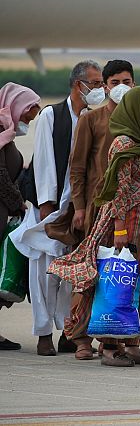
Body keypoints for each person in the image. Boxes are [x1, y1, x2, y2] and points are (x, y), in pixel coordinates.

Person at [49, 86, 140, 367]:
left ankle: (132, 344)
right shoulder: (123, 143)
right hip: (126, 220)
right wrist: (119, 228)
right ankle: (108, 346)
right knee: (117, 282)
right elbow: (118, 188)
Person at [10, 60, 103, 356]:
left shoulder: (95, 117)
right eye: (97, 83)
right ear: (80, 85)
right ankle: (43, 333)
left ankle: (68, 330)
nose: (100, 88)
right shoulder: (53, 115)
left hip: (78, 207)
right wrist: (48, 206)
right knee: (42, 274)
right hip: (49, 208)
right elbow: (45, 163)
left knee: (69, 275)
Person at [65, 59, 135, 360]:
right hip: (96, 209)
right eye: (115, 81)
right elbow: (77, 167)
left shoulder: (139, 120)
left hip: (127, 210)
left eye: (127, 81)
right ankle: (79, 338)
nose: (122, 87)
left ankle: (113, 337)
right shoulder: (90, 120)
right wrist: (79, 207)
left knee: (117, 276)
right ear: (105, 85)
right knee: (88, 275)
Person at [0, 82, 41, 351]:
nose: (32, 116)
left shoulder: (7, 133)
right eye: (29, 111)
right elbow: (1, 176)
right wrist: (19, 204)